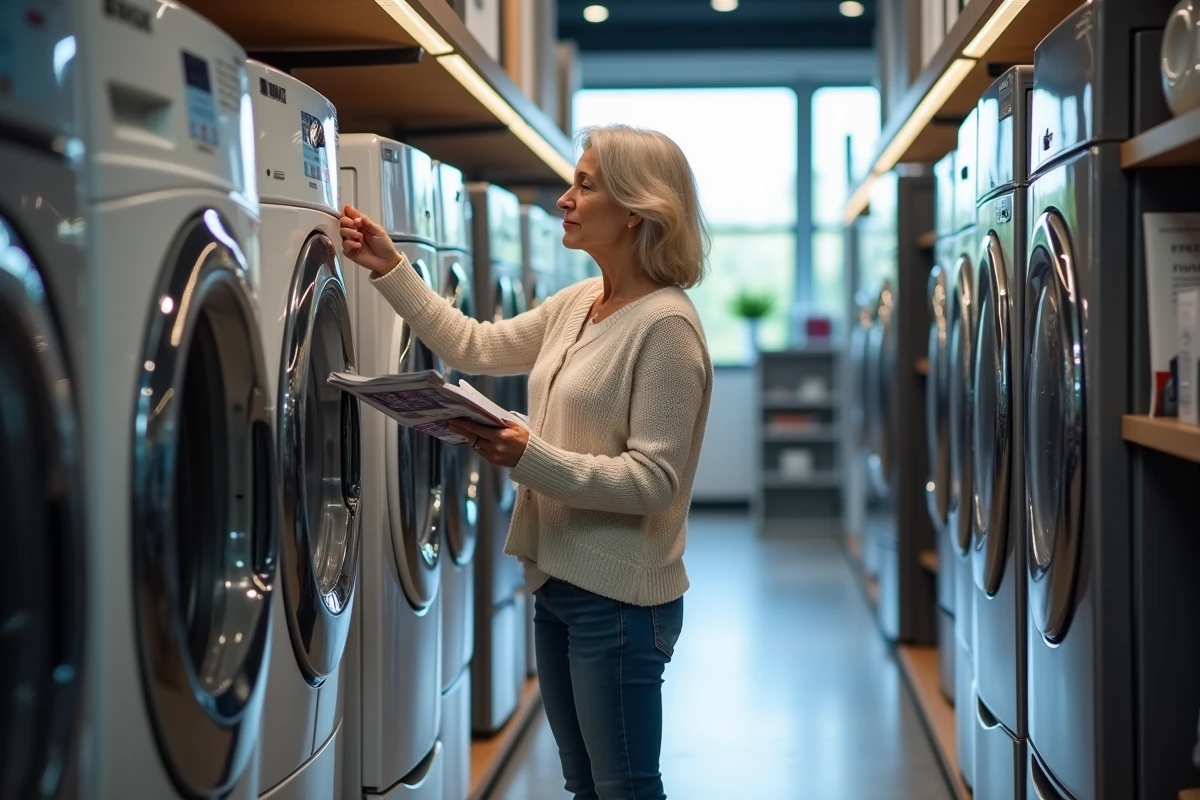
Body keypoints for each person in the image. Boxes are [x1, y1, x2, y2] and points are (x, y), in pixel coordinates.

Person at [339, 124, 713, 800]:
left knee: (625, 787)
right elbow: (476, 346)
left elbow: (655, 483)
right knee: (585, 785)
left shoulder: (667, 327)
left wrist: (529, 454)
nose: (565, 200)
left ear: (635, 210)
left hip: (621, 599)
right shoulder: (579, 304)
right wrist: (390, 267)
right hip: (557, 584)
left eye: (585, 185)